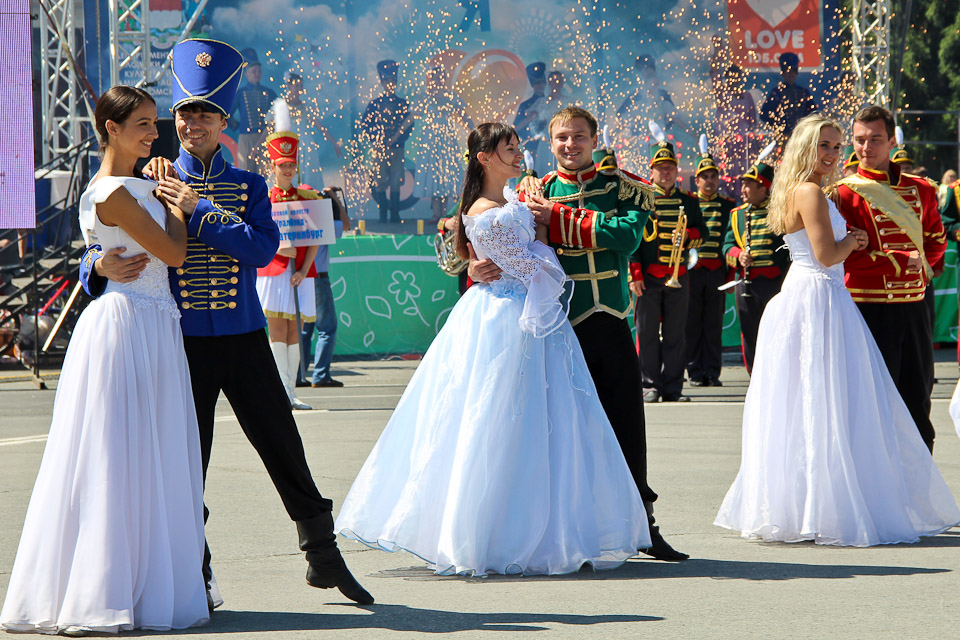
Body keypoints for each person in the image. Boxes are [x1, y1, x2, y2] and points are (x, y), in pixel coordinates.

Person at [78, 39, 372, 606]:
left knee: (283, 445)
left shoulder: (250, 184)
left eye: (205, 115)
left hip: (243, 334)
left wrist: (198, 208)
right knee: (189, 462)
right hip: (182, 342)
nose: (193, 124)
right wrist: (95, 264)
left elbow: (261, 250)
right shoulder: (149, 178)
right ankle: (199, 574)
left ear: (223, 123)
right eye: (185, 114)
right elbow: (101, 229)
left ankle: (323, 555)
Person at [335, 123, 651, 575]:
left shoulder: (520, 196)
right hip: (510, 319)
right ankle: (496, 532)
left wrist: (525, 245)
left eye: (519, 146)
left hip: (543, 315)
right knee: (500, 420)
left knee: (548, 423)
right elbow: (522, 261)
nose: (520, 154)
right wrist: (490, 262)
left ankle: (557, 525)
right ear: (485, 157)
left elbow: (554, 244)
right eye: (510, 148)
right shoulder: (495, 206)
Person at [1, 86, 209, 635]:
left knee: (150, 456)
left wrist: (159, 198)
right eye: (142, 124)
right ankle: (102, 591)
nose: (154, 134)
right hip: (126, 325)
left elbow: (120, 247)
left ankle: (141, 586)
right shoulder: (113, 191)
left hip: (155, 323)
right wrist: (177, 204)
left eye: (154, 123)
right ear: (110, 128)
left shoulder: (138, 183)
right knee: (114, 459)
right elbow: (174, 254)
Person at [715, 114, 960, 546]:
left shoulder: (897, 189)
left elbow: (933, 239)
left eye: (836, 145)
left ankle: (825, 503)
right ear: (805, 148)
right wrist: (855, 243)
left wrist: (915, 264)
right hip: (825, 298)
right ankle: (828, 506)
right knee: (829, 403)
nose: (835, 153)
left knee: (834, 404)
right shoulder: (821, 191)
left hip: (849, 298)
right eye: (825, 146)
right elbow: (828, 255)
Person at [513, 106, 689, 560]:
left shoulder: (623, 187)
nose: (570, 145)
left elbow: (627, 237)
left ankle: (644, 526)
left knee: (625, 423)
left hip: (610, 320)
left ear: (594, 141)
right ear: (550, 142)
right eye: (562, 137)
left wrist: (556, 217)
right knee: (564, 429)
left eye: (579, 136)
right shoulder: (534, 190)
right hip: (560, 325)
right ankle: (569, 530)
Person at [836, 105, 947, 452]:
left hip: (914, 306)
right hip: (866, 308)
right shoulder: (843, 194)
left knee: (918, 395)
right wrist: (901, 262)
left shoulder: (922, 190)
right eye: (859, 140)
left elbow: (936, 240)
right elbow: (847, 258)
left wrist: (923, 267)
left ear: (891, 141)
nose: (866, 147)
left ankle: (919, 473)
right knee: (870, 399)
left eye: (875, 139)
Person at [630, 132, 706, 403]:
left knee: (676, 335)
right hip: (649, 277)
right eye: (660, 168)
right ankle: (649, 385)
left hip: (679, 275)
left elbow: (703, 233)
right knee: (647, 333)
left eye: (670, 167)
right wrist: (634, 274)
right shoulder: (641, 200)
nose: (665, 172)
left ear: (676, 170)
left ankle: (674, 388)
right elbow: (633, 240)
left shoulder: (690, 201)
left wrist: (688, 235)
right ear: (651, 171)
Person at [256, 129, 319, 410]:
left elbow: (316, 237)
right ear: (273, 166)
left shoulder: (308, 197)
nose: (288, 169)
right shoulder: (263, 198)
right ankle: (280, 393)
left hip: (300, 273)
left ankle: (291, 391)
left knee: (296, 332)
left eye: (292, 164)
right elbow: (255, 233)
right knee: (277, 331)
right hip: (274, 270)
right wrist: (277, 249)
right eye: (283, 165)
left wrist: (304, 270)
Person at [722, 150, 790, 373]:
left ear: (763, 188)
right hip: (747, 285)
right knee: (750, 335)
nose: (742, 190)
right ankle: (754, 377)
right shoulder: (737, 214)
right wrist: (738, 255)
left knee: (777, 333)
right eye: (743, 185)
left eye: (748, 185)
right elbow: (727, 245)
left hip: (775, 284)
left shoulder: (781, 212)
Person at [686, 138, 734, 387]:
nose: (709, 181)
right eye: (705, 177)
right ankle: (695, 371)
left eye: (713, 176)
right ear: (697, 180)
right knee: (692, 323)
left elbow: (731, 239)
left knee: (714, 324)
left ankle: (713, 372)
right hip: (692, 273)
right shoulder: (689, 203)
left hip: (716, 273)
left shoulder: (728, 206)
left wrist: (731, 274)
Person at [299, 187, 351, 388]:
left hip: (300, 278)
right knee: (327, 328)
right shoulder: (320, 221)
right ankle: (321, 374)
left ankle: (299, 375)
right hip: (318, 277)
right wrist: (335, 199)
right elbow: (346, 224)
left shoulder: (295, 221)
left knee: (304, 330)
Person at [414, 64, 472, 224]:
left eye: (440, 77)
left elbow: (464, 117)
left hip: (446, 139)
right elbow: (412, 116)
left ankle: (445, 214)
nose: (437, 80)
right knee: (433, 173)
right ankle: (436, 213)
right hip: (430, 140)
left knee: (446, 173)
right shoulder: (425, 97)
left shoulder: (450, 96)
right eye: (434, 77)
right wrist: (396, 133)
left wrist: (476, 132)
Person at [360, 59, 412, 223]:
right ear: (382, 83)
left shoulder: (403, 103)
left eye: (393, 81)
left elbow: (409, 126)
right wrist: (376, 140)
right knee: (380, 181)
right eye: (387, 81)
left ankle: (395, 215)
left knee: (396, 181)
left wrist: (398, 140)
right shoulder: (374, 104)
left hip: (397, 149)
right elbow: (365, 125)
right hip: (379, 149)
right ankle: (383, 215)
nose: (390, 84)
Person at [231, 48, 277, 173]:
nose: (257, 74)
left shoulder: (269, 92)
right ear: (246, 74)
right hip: (246, 138)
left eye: (259, 71)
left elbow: (278, 111)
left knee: (264, 172)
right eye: (253, 71)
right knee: (246, 170)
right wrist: (238, 126)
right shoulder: (240, 93)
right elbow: (228, 113)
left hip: (265, 137)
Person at [759, 52, 817, 142]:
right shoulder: (776, 93)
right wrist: (779, 127)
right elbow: (764, 114)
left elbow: (813, 113)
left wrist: (805, 128)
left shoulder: (803, 93)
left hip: (801, 137)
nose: (790, 74)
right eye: (788, 72)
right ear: (783, 74)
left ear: (796, 73)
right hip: (783, 138)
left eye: (793, 72)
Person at [514, 62, 550, 177]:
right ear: (533, 86)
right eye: (536, 84)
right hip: (531, 146)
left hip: (549, 145)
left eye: (541, 83)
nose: (539, 86)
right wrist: (529, 118)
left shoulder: (551, 102)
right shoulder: (525, 105)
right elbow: (515, 128)